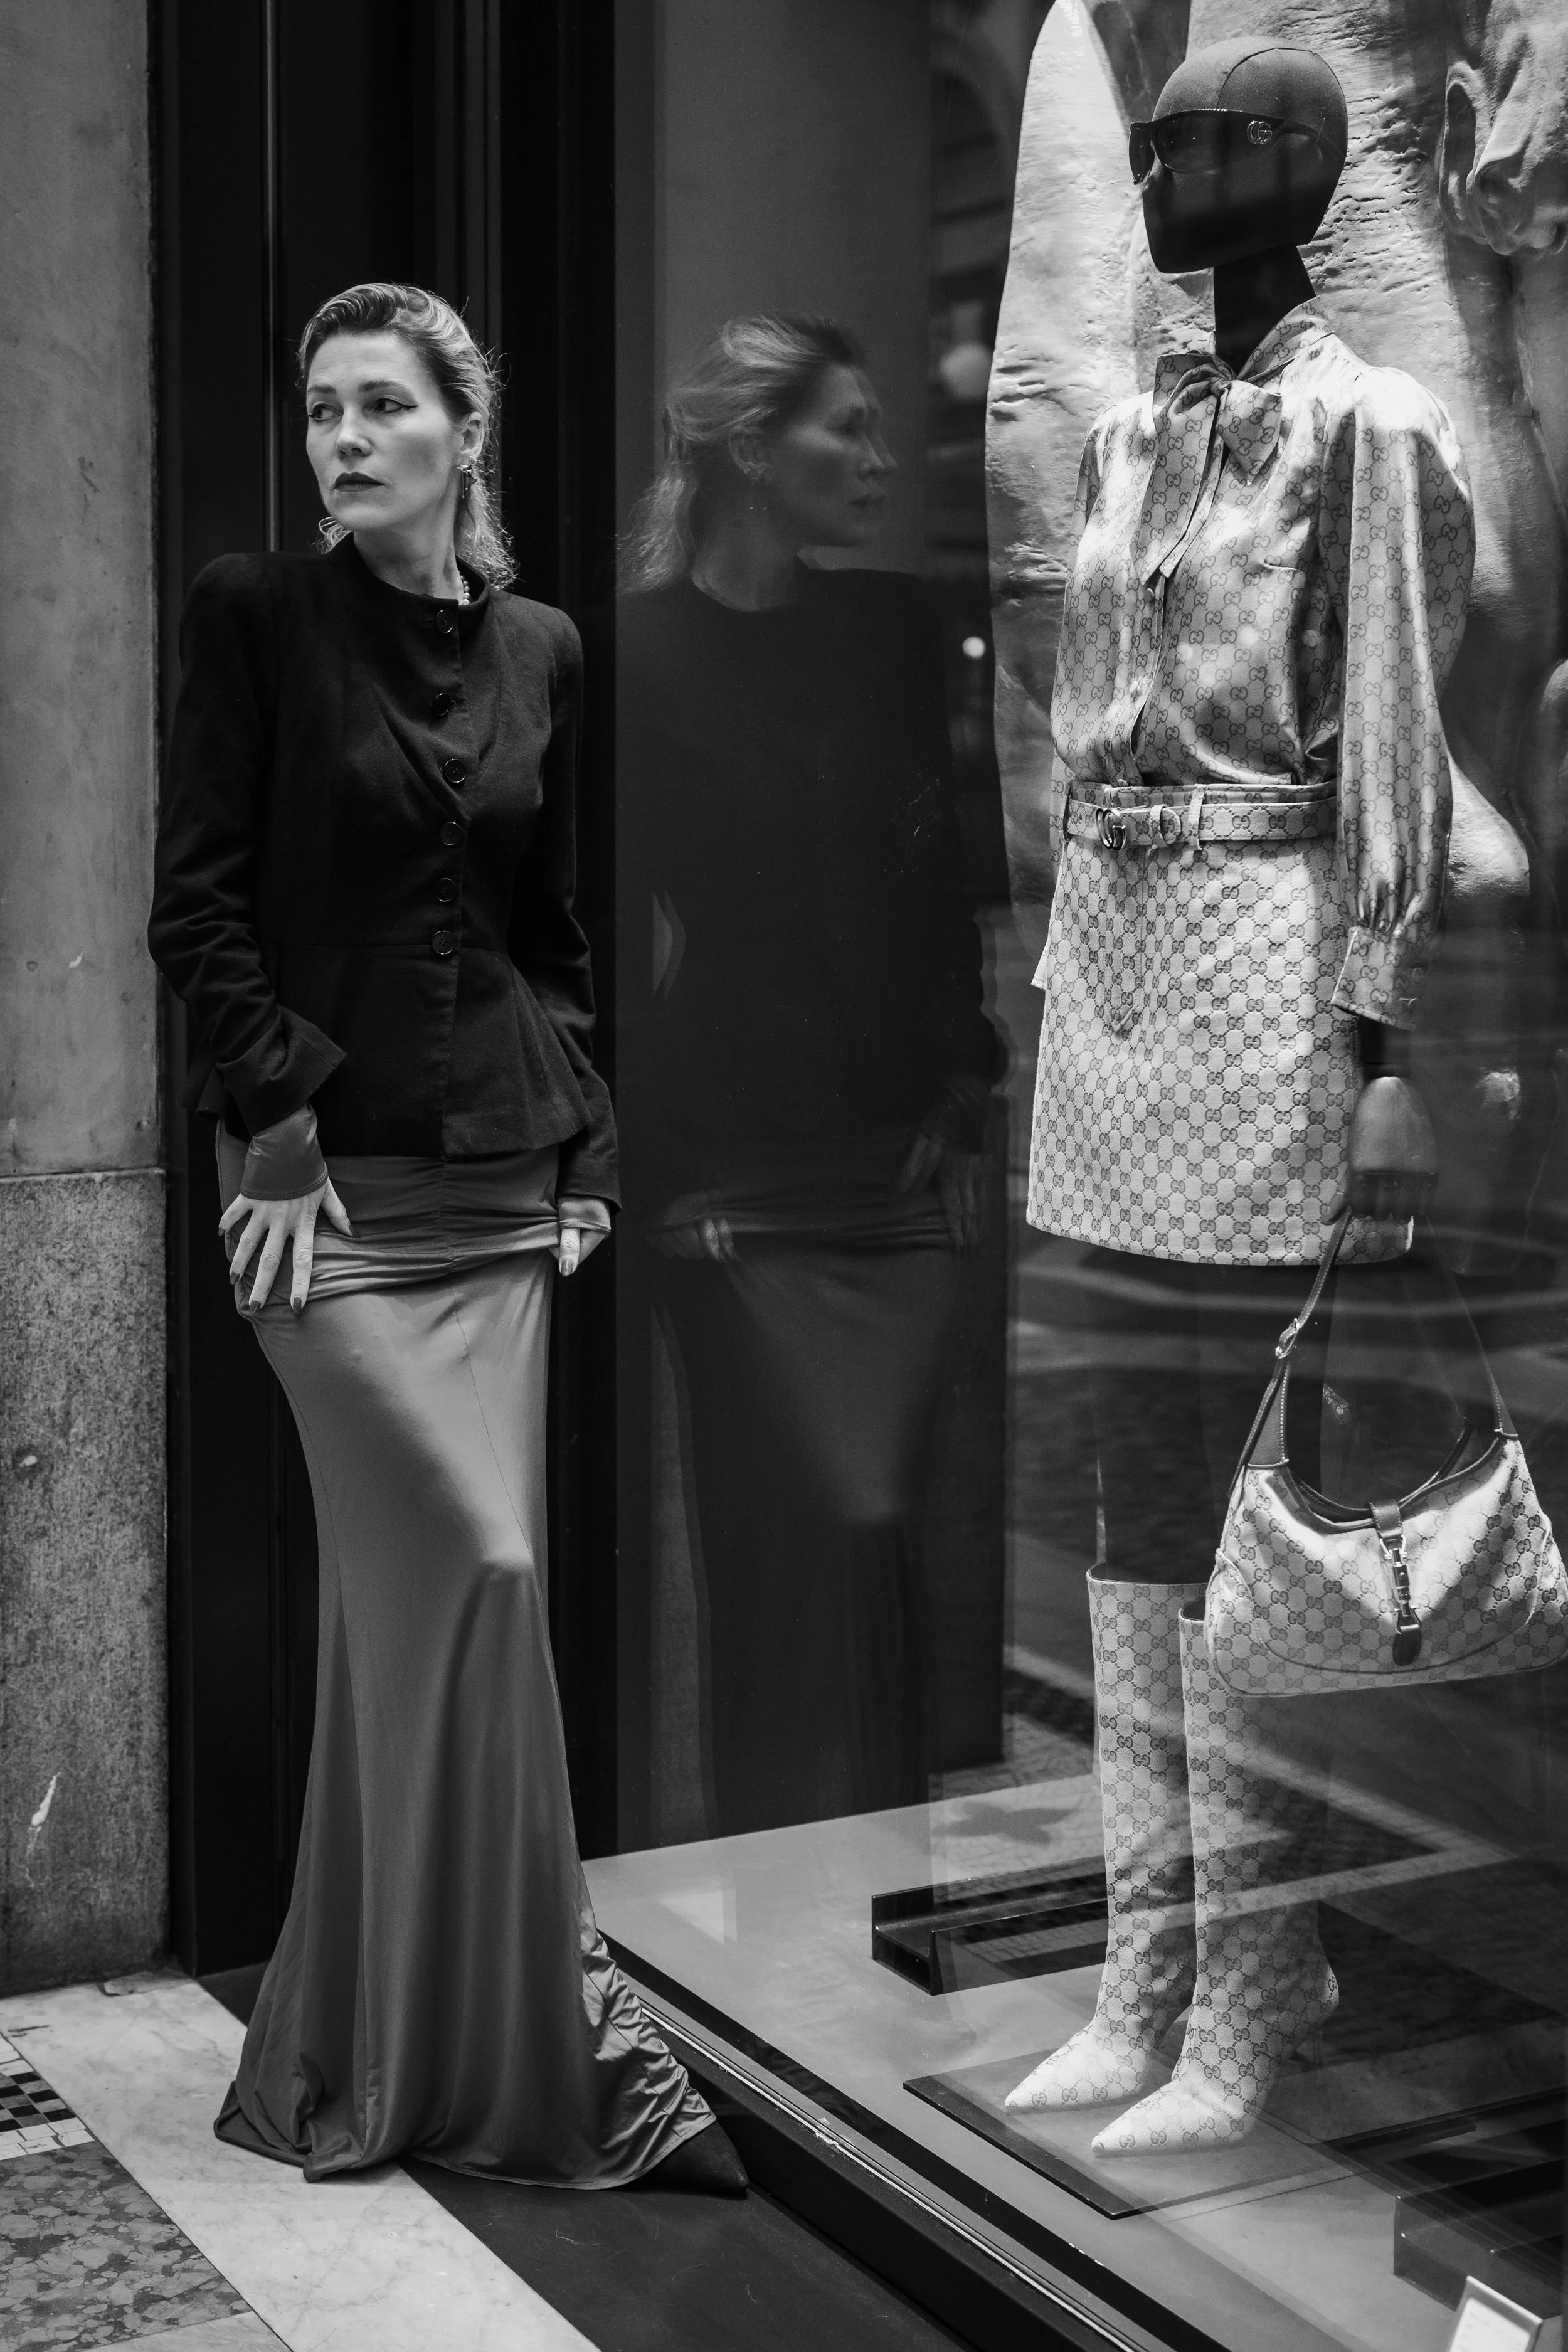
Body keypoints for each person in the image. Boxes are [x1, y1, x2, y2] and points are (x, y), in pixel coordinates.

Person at [148, 281, 744, 2195]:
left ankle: (373, 2041)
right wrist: (274, 1118)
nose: (341, 436)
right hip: (319, 1209)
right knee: (479, 1576)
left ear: (459, 433)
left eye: (381, 404)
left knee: (423, 1642)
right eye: (320, 405)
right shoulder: (253, 615)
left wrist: (588, 1135)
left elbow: (546, 928)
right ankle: (546, 2024)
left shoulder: (547, 648)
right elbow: (197, 909)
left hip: (504, 1192)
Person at [1004, 42, 1470, 2151]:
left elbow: (1387, 737)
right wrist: (1043, 983)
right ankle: (1141, 1959)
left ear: (1298, 163)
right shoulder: (1126, 436)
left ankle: (1262, 1980)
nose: (1170, 163)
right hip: (1105, 983)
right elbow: (1073, 729)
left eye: (1205, 137)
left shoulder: (1369, 429)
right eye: (1160, 134)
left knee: (1238, 1495)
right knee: (1119, 1474)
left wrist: (1383, 1050)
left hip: (1271, 965)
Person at [604, 315, 1000, 1835]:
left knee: (883, 1547)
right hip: (724, 1177)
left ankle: (889, 1933)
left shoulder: (895, 629)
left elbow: (949, 876)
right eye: (848, 428)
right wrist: (648, 1149)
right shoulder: (626, 650)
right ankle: (768, 1944)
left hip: (894, 1166)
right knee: (772, 1560)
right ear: (752, 449)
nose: (883, 460)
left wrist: (962, 1085)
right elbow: (598, 923)